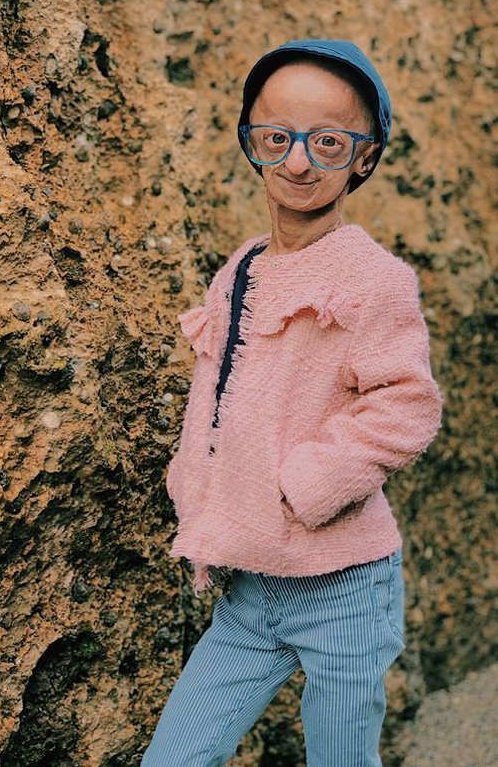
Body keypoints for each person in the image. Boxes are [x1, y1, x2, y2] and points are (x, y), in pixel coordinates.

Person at [141, 39, 443, 766]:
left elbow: (406, 406)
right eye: (277, 138)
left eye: (328, 142)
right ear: (252, 141)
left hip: (343, 587)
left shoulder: (374, 278)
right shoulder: (241, 267)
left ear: (364, 158)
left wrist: (304, 485)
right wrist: (197, 487)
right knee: (174, 758)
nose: (299, 162)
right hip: (252, 588)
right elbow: (218, 397)